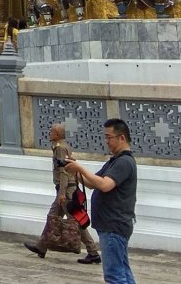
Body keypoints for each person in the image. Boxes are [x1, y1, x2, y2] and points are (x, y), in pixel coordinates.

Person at [65, 119, 137, 284]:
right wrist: (74, 170)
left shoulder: (124, 162)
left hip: (114, 225)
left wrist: (81, 168)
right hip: (111, 224)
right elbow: (93, 183)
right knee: (123, 272)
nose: (107, 141)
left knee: (114, 275)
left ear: (121, 138)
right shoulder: (115, 160)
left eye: (109, 137)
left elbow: (105, 185)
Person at [25, 123, 101, 263]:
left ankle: (93, 252)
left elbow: (64, 172)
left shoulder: (60, 148)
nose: (49, 133)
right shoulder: (60, 146)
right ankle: (41, 246)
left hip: (66, 191)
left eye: (52, 131)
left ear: (58, 135)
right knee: (53, 216)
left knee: (75, 220)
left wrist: (62, 192)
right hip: (65, 189)